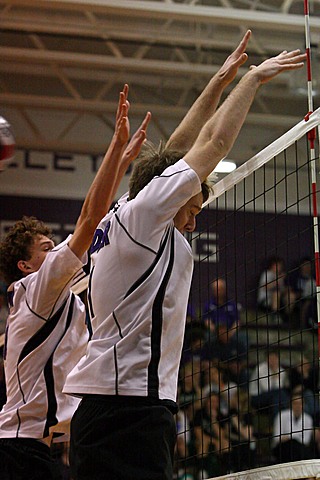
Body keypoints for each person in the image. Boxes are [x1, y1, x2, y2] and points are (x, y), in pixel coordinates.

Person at [64, 32, 306, 480]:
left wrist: (218, 81)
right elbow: (211, 145)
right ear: (168, 198)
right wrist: (251, 81)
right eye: (192, 210)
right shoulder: (146, 217)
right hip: (130, 408)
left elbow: (175, 148)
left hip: (108, 406)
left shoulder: (126, 213)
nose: (193, 222)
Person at [0, 86, 151, 480]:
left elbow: (96, 227)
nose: (55, 254)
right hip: (19, 450)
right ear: (25, 265)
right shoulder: (37, 289)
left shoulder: (61, 296)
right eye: (46, 249)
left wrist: (122, 162)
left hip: (39, 448)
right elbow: (89, 219)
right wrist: (115, 149)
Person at [272, 387, 314, 463]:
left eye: (300, 403)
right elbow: (277, 438)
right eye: (295, 403)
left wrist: (289, 437)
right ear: (291, 404)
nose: (297, 406)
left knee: (298, 448)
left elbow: (306, 441)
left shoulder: (308, 419)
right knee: (291, 446)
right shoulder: (282, 415)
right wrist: (295, 437)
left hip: (300, 449)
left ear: (303, 405)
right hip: (283, 448)